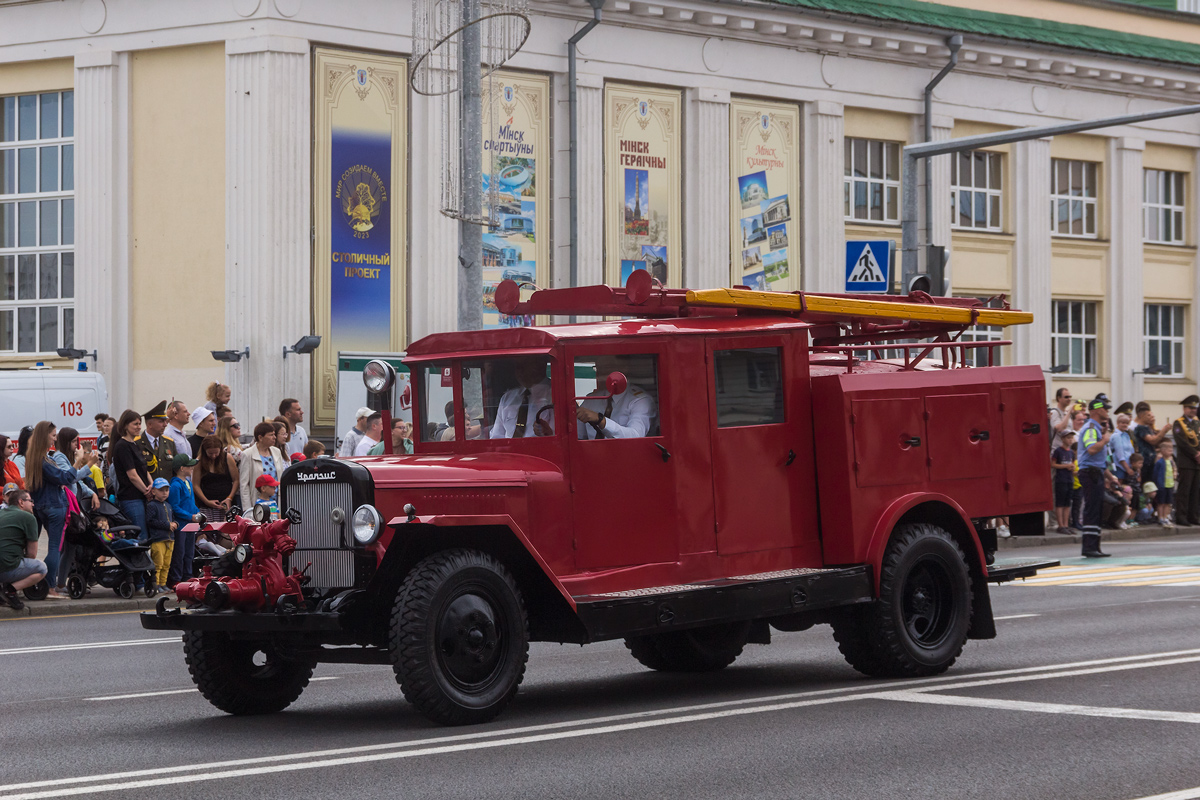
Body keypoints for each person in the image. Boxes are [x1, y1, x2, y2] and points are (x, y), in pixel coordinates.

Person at [50, 427, 99, 593]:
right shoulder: (59, 457)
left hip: (72, 507)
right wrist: (89, 464)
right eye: (73, 441)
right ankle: (55, 582)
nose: (76, 445)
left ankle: (58, 583)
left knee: (68, 549)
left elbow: (78, 482)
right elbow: (71, 476)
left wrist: (92, 493)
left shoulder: (67, 457)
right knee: (63, 548)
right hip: (65, 507)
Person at [106, 409, 154, 543]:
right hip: (131, 498)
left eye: (139, 423)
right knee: (140, 535)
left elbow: (144, 470)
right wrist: (146, 491)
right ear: (126, 425)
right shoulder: (122, 446)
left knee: (146, 534)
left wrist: (152, 485)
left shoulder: (135, 444)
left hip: (142, 495)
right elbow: (132, 475)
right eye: (135, 424)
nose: (139, 427)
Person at [1076, 398, 1113, 558]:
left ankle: (1094, 547)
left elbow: (1098, 458)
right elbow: (1091, 449)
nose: (1107, 411)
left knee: (1096, 509)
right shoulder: (1091, 428)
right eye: (1105, 409)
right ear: (1097, 410)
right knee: (1092, 509)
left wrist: (1110, 476)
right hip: (1090, 473)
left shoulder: (1096, 428)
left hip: (1096, 471)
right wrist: (1104, 440)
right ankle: (1090, 547)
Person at [0, 490, 48, 611]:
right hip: (6, 567)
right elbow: (32, 554)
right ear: (21, 502)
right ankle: (10, 591)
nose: (33, 504)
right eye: (30, 501)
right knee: (41, 568)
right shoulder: (29, 518)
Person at [490, 357, 555, 439]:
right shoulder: (507, 398)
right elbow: (497, 436)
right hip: (508, 451)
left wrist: (547, 432)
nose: (519, 371)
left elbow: (563, 438)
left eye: (524, 365)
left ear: (540, 366)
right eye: (517, 366)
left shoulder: (557, 394)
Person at [576, 375, 655, 439]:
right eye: (599, 368)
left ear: (624, 368)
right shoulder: (592, 399)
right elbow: (577, 435)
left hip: (627, 455)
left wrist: (601, 420)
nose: (602, 374)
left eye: (608, 367)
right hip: (592, 454)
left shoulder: (640, 400)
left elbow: (635, 436)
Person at [167, 454, 200, 587]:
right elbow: (174, 507)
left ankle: (188, 575)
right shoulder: (175, 485)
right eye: (189, 466)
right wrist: (190, 516)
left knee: (189, 552)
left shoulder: (188, 483)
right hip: (181, 525)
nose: (192, 468)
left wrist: (197, 512)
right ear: (181, 468)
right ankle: (176, 578)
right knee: (179, 553)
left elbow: (191, 503)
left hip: (191, 524)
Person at [238, 422, 287, 508]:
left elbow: (281, 477)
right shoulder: (247, 454)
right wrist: (247, 509)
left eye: (274, 434)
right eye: (271, 435)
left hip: (276, 502)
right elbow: (244, 485)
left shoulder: (276, 452)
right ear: (260, 437)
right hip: (258, 503)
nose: (274, 437)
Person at [194, 435, 238, 523]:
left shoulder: (227, 458)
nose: (214, 456)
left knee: (226, 532)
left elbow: (236, 480)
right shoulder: (199, 461)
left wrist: (230, 498)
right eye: (210, 453)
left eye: (216, 453)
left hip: (225, 504)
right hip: (206, 505)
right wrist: (206, 501)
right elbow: (195, 484)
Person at [1171, 395, 1200, 526]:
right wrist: (1195, 454)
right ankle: (1181, 516)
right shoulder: (1179, 423)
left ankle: (1193, 515)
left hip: (1197, 462)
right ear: (1184, 408)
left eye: (1194, 408)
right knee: (1184, 491)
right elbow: (1181, 442)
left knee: (1195, 491)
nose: (1193, 410)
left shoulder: (1196, 422)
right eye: (1190, 408)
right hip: (1186, 462)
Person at [145, 478, 176, 593]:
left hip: (170, 539)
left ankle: (163, 583)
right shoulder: (152, 505)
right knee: (158, 563)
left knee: (167, 564)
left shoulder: (168, 505)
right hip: (158, 539)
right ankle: (156, 584)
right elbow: (150, 521)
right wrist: (167, 525)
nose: (164, 493)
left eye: (166, 490)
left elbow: (173, 518)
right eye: (161, 490)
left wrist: (175, 524)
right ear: (153, 491)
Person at [136, 401, 177, 483]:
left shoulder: (169, 443)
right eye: (161, 421)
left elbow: (175, 470)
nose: (165, 424)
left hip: (166, 492)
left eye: (165, 421)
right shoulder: (137, 444)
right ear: (150, 424)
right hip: (146, 492)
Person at [1133, 402, 1172, 487]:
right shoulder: (1140, 428)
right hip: (1144, 462)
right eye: (1148, 415)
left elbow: (1157, 441)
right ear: (1142, 416)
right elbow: (1152, 440)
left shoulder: (1147, 428)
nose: (1151, 417)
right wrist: (1164, 430)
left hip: (1151, 461)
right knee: (1145, 485)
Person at [1051, 430, 1077, 534]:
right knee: (1060, 503)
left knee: (1067, 503)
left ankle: (1066, 524)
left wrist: (1073, 468)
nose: (1070, 440)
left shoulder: (1071, 452)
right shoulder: (1058, 451)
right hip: (1060, 479)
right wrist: (1066, 466)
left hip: (1069, 479)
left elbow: (1073, 463)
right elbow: (1053, 464)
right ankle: (1060, 525)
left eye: (1071, 438)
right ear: (1062, 439)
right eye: (1068, 438)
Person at [1153, 440, 1178, 527]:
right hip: (1162, 485)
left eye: (1171, 448)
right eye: (1168, 449)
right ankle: (1161, 518)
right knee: (1161, 502)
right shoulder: (1159, 462)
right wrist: (1157, 484)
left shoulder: (1171, 462)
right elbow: (1155, 474)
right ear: (1162, 451)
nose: (1171, 450)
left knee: (1168, 502)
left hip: (1170, 485)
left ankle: (1166, 517)